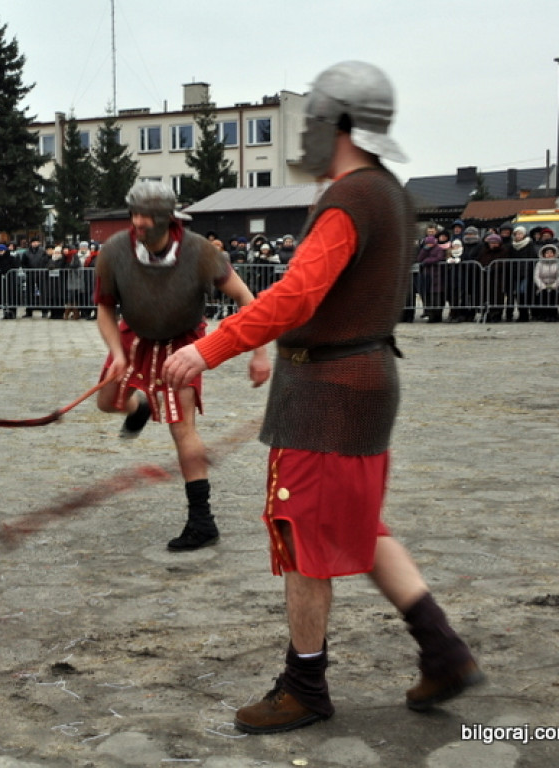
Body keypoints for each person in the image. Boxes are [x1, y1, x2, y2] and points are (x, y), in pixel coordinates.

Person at [162, 61, 483, 734]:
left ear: (336, 123)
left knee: (305, 538)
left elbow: (296, 297)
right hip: (363, 379)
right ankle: (442, 647)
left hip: (328, 392)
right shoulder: (390, 193)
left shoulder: (350, 198)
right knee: (356, 526)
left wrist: (206, 348)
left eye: (312, 120)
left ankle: (305, 685)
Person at [94, 180, 270, 552]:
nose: (138, 222)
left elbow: (245, 298)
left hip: (183, 341)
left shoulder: (200, 252)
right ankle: (138, 406)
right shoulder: (115, 251)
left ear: (166, 218)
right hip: (135, 334)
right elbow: (105, 307)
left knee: (181, 425)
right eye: (134, 213)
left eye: (146, 216)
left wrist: (259, 352)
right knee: (106, 399)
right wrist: (117, 352)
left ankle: (201, 520)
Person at [530, 241, 559, 321]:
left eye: (551, 253)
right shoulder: (539, 264)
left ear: (554, 254)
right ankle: (545, 315)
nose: (549, 254)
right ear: (543, 254)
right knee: (544, 295)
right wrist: (542, 286)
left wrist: (553, 285)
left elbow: (558, 277)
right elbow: (536, 276)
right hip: (542, 286)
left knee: (553, 295)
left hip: (555, 286)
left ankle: (554, 315)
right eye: (547, 253)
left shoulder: (557, 263)